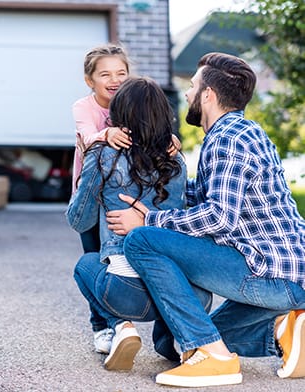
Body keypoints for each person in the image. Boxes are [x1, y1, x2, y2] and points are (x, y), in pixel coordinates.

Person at [106, 52, 305, 387]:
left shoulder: (229, 138)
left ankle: (214, 359)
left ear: (208, 95)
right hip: (283, 278)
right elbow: (202, 201)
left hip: (270, 274)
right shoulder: (239, 133)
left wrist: (149, 222)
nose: (187, 95)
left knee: (141, 240)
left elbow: (219, 217)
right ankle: (285, 331)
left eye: (193, 87)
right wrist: (163, 169)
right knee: (170, 343)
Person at [66, 77, 208, 370]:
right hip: (183, 294)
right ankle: (176, 338)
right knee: (170, 265)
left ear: (118, 114)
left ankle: (122, 327)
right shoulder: (176, 160)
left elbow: (80, 221)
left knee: (85, 264)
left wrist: (85, 160)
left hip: (125, 293)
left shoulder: (103, 154)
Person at [70, 43, 181, 354]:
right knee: (97, 255)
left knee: (99, 263)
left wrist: (168, 137)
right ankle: (104, 326)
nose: (115, 79)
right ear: (89, 80)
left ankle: (142, 329)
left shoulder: (133, 102)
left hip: (131, 190)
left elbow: (151, 126)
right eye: (105, 74)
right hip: (93, 192)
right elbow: (86, 136)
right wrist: (104, 135)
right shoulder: (85, 107)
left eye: (121, 72)